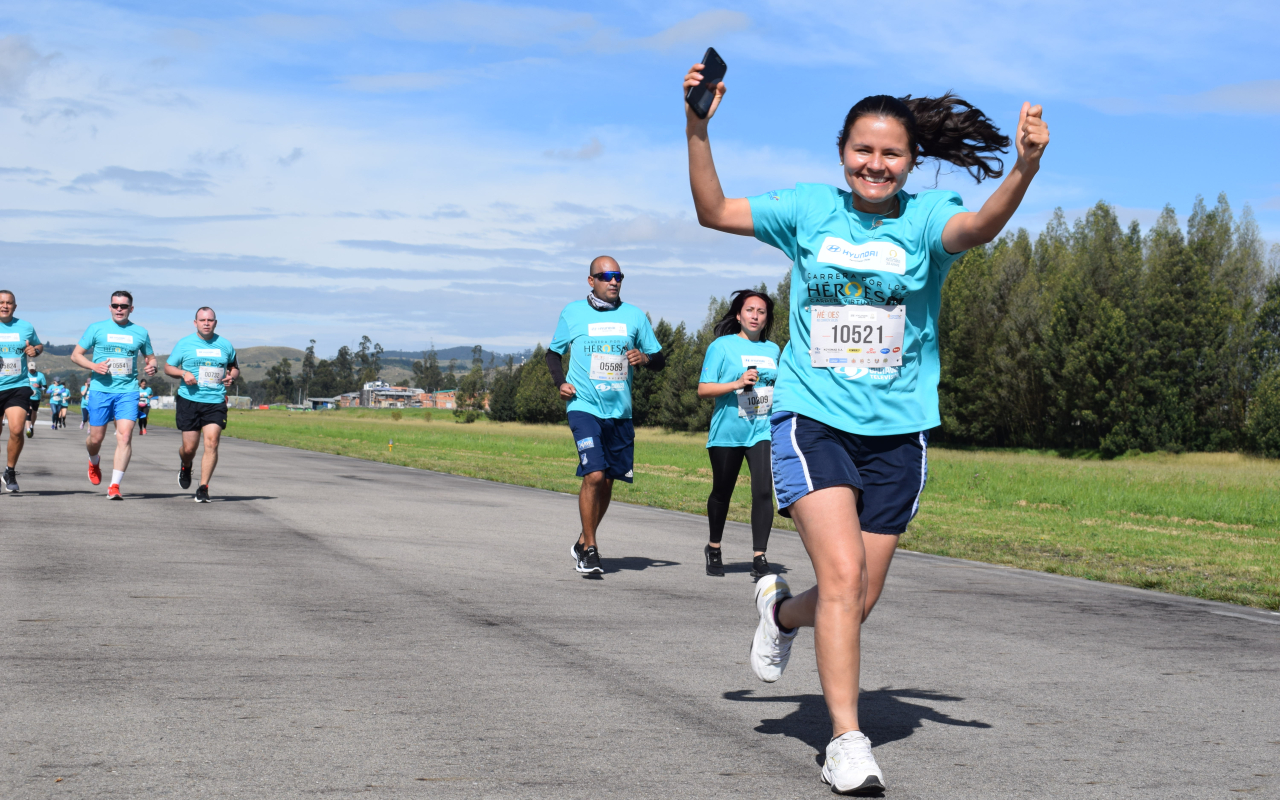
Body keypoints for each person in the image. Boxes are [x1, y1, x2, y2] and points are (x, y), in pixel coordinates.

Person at [684, 63, 1049, 793]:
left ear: (912, 162)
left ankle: (781, 613)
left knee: (857, 598)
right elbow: (714, 210)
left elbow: (980, 225)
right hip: (811, 417)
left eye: (891, 153)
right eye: (863, 150)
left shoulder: (926, 219)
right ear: (842, 151)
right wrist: (697, 126)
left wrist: (1024, 169)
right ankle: (845, 741)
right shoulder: (808, 210)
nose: (875, 164)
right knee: (844, 578)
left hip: (899, 431)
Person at [547, 256, 664, 575]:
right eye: (606, 276)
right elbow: (553, 353)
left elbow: (660, 358)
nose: (614, 281)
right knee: (594, 475)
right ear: (591, 281)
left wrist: (644, 357)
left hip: (620, 412)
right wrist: (562, 383)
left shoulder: (635, 316)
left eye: (619, 276)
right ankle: (592, 550)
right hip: (583, 406)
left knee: (609, 480)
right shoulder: (572, 313)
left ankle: (584, 540)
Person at [696, 290, 780, 579]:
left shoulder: (773, 350)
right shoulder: (722, 346)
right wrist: (737, 383)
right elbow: (704, 389)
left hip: (762, 430)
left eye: (761, 311)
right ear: (738, 315)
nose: (755, 316)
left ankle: (759, 557)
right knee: (723, 491)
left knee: (763, 491)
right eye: (750, 310)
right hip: (728, 432)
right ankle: (714, 547)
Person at [71, 291, 156, 500]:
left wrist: (152, 367)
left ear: (131, 309)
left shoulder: (140, 332)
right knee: (96, 438)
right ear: (110, 307)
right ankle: (93, 459)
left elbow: (151, 358)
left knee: (125, 436)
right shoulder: (96, 328)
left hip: (128, 391)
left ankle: (115, 486)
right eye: (116, 305)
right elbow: (76, 355)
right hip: (101, 390)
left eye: (124, 306)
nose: (119, 309)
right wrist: (93, 366)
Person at [164, 306, 238, 503]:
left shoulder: (225, 345)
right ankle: (185, 465)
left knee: (212, 442)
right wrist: (182, 373)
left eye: (210, 320)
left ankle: (203, 487)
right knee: (189, 449)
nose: (207, 323)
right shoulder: (185, 343)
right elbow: (168, 367)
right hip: (189, 400)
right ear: (195, 322)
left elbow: (233, 367)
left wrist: (231, 377)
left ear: (215, 322)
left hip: (215, 401)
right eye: (202, 320)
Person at [0, 290, 43, 492]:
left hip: (17, 385)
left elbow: (38, 345)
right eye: (1, 302)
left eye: (9, 303)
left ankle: (9, 471)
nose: (5, 306)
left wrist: (35, 350)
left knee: (17, 429)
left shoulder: (25, 326)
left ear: (15, 306)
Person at [26, 362, 47, 438]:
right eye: (30, 369)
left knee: (34, 412)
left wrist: (39, 386)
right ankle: (28, 429)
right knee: (28, 411)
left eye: (33, 369)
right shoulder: (25, 374)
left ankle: (32, 426)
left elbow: (44, 387)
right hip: (27, 397)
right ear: (28, 368)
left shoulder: (40, 375)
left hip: (36, 397)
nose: (31, 370)